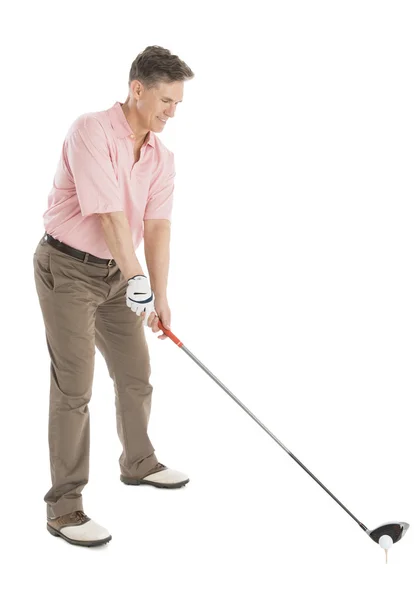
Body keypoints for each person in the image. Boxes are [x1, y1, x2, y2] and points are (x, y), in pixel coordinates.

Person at [32, 45, 195, 547]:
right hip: (68, 269)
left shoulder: (161, 156)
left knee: (135, 375)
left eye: (178, 104)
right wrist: (137, 278)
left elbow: (158, 225)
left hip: (118, 275)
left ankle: (138, 462)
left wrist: (159, 294)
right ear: (137, 89)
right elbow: (109, 215)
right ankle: (64, 508)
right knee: (74, 388)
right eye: (166, 101)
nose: (172, 112)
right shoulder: (91, 131)